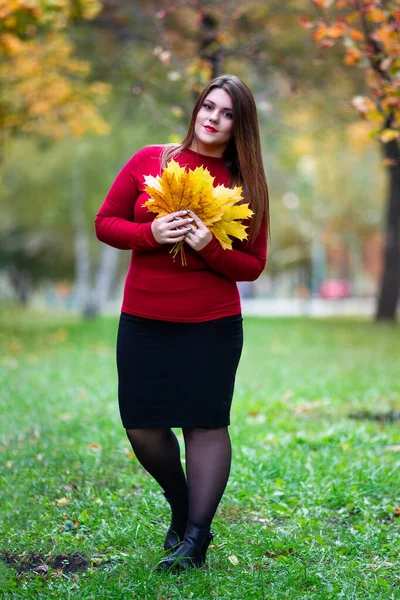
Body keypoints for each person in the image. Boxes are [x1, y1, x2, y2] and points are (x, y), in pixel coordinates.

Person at [95, 74, 270, 571]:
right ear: (196, 109)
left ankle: (195, 540)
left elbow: (253, 265)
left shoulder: (246, 183)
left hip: (210, 324)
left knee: (205, 424)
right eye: (208, 107)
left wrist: (208, 247)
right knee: (141, 425)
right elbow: (105, 223)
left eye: (228, 113)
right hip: (144, 317)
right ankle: (181, 502)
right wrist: (150, 231)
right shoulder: (151, 160)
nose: (213, 118)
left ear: (241, 125)